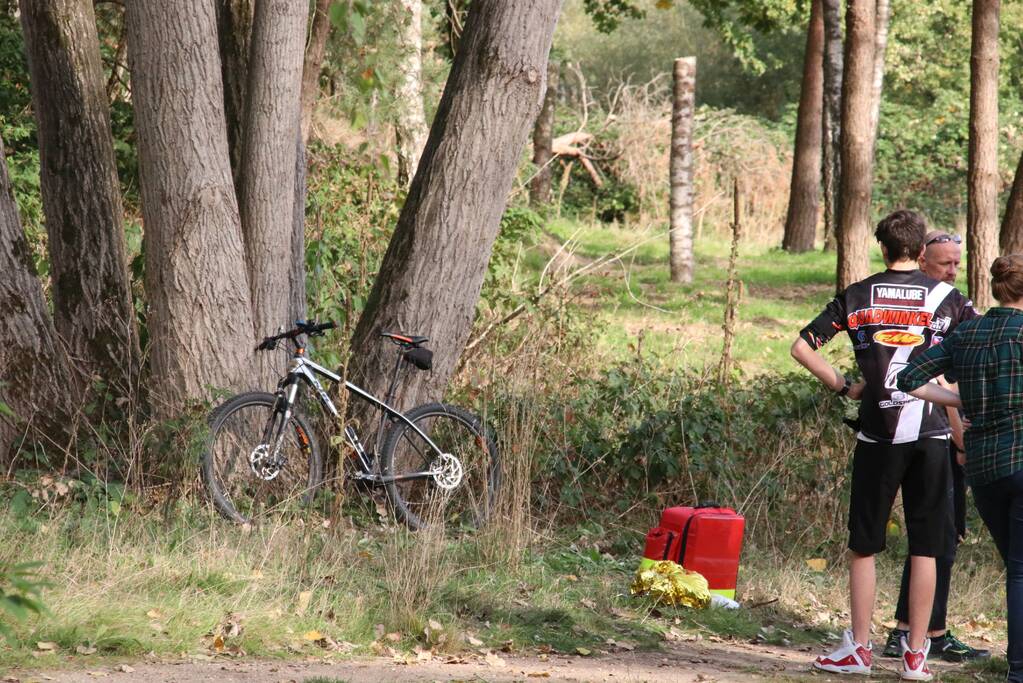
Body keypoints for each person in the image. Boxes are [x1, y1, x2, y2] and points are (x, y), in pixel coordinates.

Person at [791, 210, 975, 681]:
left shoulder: (858, 295)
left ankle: (860, 651)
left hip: (878, 433)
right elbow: (970, 355)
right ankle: (916, 656)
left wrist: (844, 384)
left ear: (882, 248)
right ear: (920, 251)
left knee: (864, 546)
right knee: (927, 547)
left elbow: (802, 347)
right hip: (931, 434)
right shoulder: (948, 298)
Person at [898, 254, 1023, 683]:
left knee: (1018, 566)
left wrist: (959, 400)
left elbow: (909, 376)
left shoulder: (967, 332)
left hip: (987, 469)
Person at [881, 231, 989, 663]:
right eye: (944, 263)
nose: (952, 271)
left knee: (945, 534)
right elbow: (935, 380)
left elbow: (973, 355)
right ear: (922, 259)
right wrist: (960, 433)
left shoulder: (956, 303)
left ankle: (921, 629)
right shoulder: (912, 307)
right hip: (925, 432)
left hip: (952, 430)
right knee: (934, 536)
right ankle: (919, 633)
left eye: (956, 264)